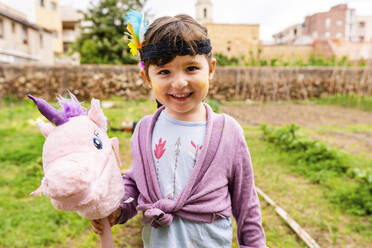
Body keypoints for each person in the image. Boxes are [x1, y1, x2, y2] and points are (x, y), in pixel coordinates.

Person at [91, 11, 267, 248]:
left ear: (211, 69)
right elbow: (135, 182)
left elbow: (246, 202)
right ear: (146, 77)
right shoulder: (144, 130)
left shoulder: (228, 132)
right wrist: (118, 208)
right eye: (164, 72)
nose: (179, 82)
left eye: (191, 68)